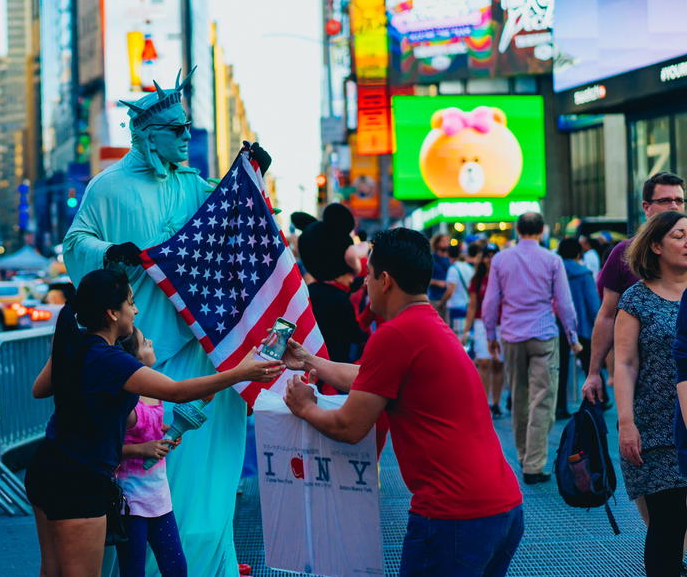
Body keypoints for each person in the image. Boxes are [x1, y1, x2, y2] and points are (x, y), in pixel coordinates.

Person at [62, 69, 273, 575]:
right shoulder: (107, 188)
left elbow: (238, 223)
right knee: (147, 482)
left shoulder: (195, 186)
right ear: (145, 135)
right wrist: (110, 252)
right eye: (176, 129)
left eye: (186, 128)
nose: (186, 137)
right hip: (141, 358)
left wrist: (253, 177)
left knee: (210, 482)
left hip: (203, 347)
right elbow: (74, 245)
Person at [282, 228, 523, 577]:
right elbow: (369, 377)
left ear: (385, 280)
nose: (364, 285)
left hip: (452, 516)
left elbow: (349, 426)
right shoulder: (426, 325)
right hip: (500, 508)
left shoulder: (395, 335)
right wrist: (309, 361)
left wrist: (304, 407)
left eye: (367, 276)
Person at [25, 269, 283, 577]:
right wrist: (241, 373)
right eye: (130, 303)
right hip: (80, 479)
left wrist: (67, 351)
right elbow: (175, 391)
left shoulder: (75, 346)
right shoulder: (113, 361)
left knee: (51, 572)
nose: (135, 311)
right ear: (111, 313)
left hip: (46, 468)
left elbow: (39, 389)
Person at [613, 212, 687, 576]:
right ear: (656, 245)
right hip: (656, 430)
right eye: (679, 235)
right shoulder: (636, 298)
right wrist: (626, 423)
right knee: (669, 524)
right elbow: (625, 364)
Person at [482, 212, 581, 484]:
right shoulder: (552, 260)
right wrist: (572, 335)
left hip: (512, 335)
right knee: (543, 400)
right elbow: (564, 303)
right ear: (542, 230)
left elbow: (491, 301)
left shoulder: (501, 259)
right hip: (543, 334)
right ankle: (534, 464)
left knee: (519, 397)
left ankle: (525, 457)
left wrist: (491, 333)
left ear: (517, 230)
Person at [584, 172, 686, 405]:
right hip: (645, 389)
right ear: (646, 207)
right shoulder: (624, 254)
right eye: (666, 201)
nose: (674, 206)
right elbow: (607, 315)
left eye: (679, 200)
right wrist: (593, 372)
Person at [114, 327, 188, 577]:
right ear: (133, 360)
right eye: (145, 343)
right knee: (133, 571)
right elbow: (103, 446)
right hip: (130, 501)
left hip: (159, 497)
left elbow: (150, 427)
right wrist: (141, 449)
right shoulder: (126, 402)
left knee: (177, 568)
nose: (152, 342)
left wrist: (164, 434)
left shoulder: (154, 392)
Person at [290, 204, 367, 366]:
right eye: (349, 277)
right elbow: (354, 334)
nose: (351, 280)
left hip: (309, 361)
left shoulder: (309, 292)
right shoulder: (339, 298)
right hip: (334, 365)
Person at [557, 238, 600, 419]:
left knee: (561, 368)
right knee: (590, 366)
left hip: (558, 326)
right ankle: (597, 401)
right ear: (578, 253)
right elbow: (593, 303)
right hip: (582, 326)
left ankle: (560, 405)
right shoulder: (584, 274)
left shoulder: (556, 271)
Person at [462, 244, 503, 415]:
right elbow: (472, 306)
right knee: (484, 362)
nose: (490, 258)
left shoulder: (504, 277)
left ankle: (496, 402)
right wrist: (465, 330)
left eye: (494, 254)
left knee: (498, 363)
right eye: (488, 255)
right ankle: (484, 402)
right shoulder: (477, 279)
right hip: (481, 323)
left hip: (502, 324)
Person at [446, 243, 474, 339]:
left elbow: (450, 290)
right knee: (466, 335)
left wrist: (441, 302)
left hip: (456, 306)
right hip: (467, 305)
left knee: (456, 337)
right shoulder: (469, 267)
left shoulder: (453, 269)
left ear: (448, 255)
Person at [427, 233, 453, 321]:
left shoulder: (449, 259)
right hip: (435, 299)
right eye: (444, 241)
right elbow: (424, 278)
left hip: (449, 299)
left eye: (448, 241)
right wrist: (436, 282)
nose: (447, 243)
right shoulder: (431, 258)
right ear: (437, 243)